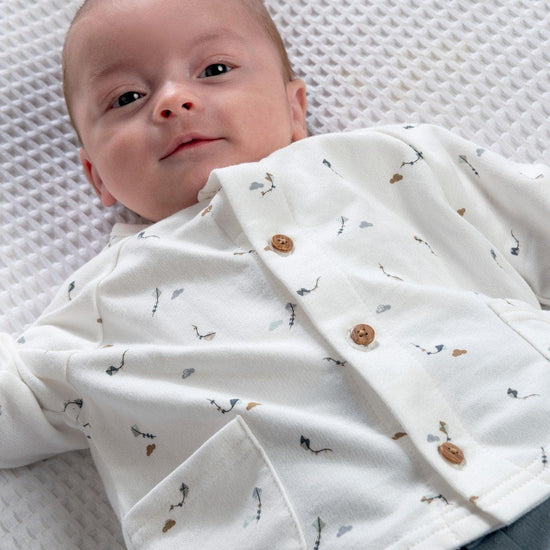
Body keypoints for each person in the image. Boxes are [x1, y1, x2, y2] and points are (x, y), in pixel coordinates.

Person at [1, 0, 549, 548]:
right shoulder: (101, 301)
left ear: (295, 107)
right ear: (97, 175)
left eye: (214, 69)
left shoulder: (393, 161)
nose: (173, 101)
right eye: (126, 98)